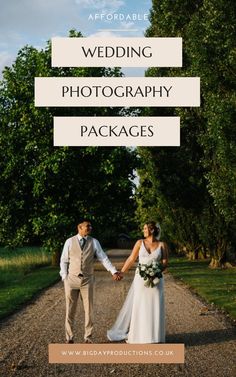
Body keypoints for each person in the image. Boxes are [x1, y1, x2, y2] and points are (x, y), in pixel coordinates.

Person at [60, 218, 122, 344]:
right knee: (70, 309)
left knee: (89, 310)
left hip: (87, 280)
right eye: (87, 226)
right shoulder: (69, 242)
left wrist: (113, 271)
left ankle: (87, 337)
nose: (90, 228)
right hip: (71, 280)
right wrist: (64, 277)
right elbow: (64, 260)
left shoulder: (94, 242)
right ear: (80, 227)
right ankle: (69, 337)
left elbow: (103, 258)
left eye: (90, 226)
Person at [107, 221, 168, 344]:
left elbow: (165, 263)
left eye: (145, 228)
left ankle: (154, 337)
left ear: (152, 230)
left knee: (155, 305)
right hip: (140, 279)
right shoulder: (139, 243)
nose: (143, 230)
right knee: (140, 305)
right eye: (144, 228)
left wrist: (156, 272)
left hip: (156, 281)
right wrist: (122, 272)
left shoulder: (162, 245)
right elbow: (131, 259)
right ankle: (140, 336)